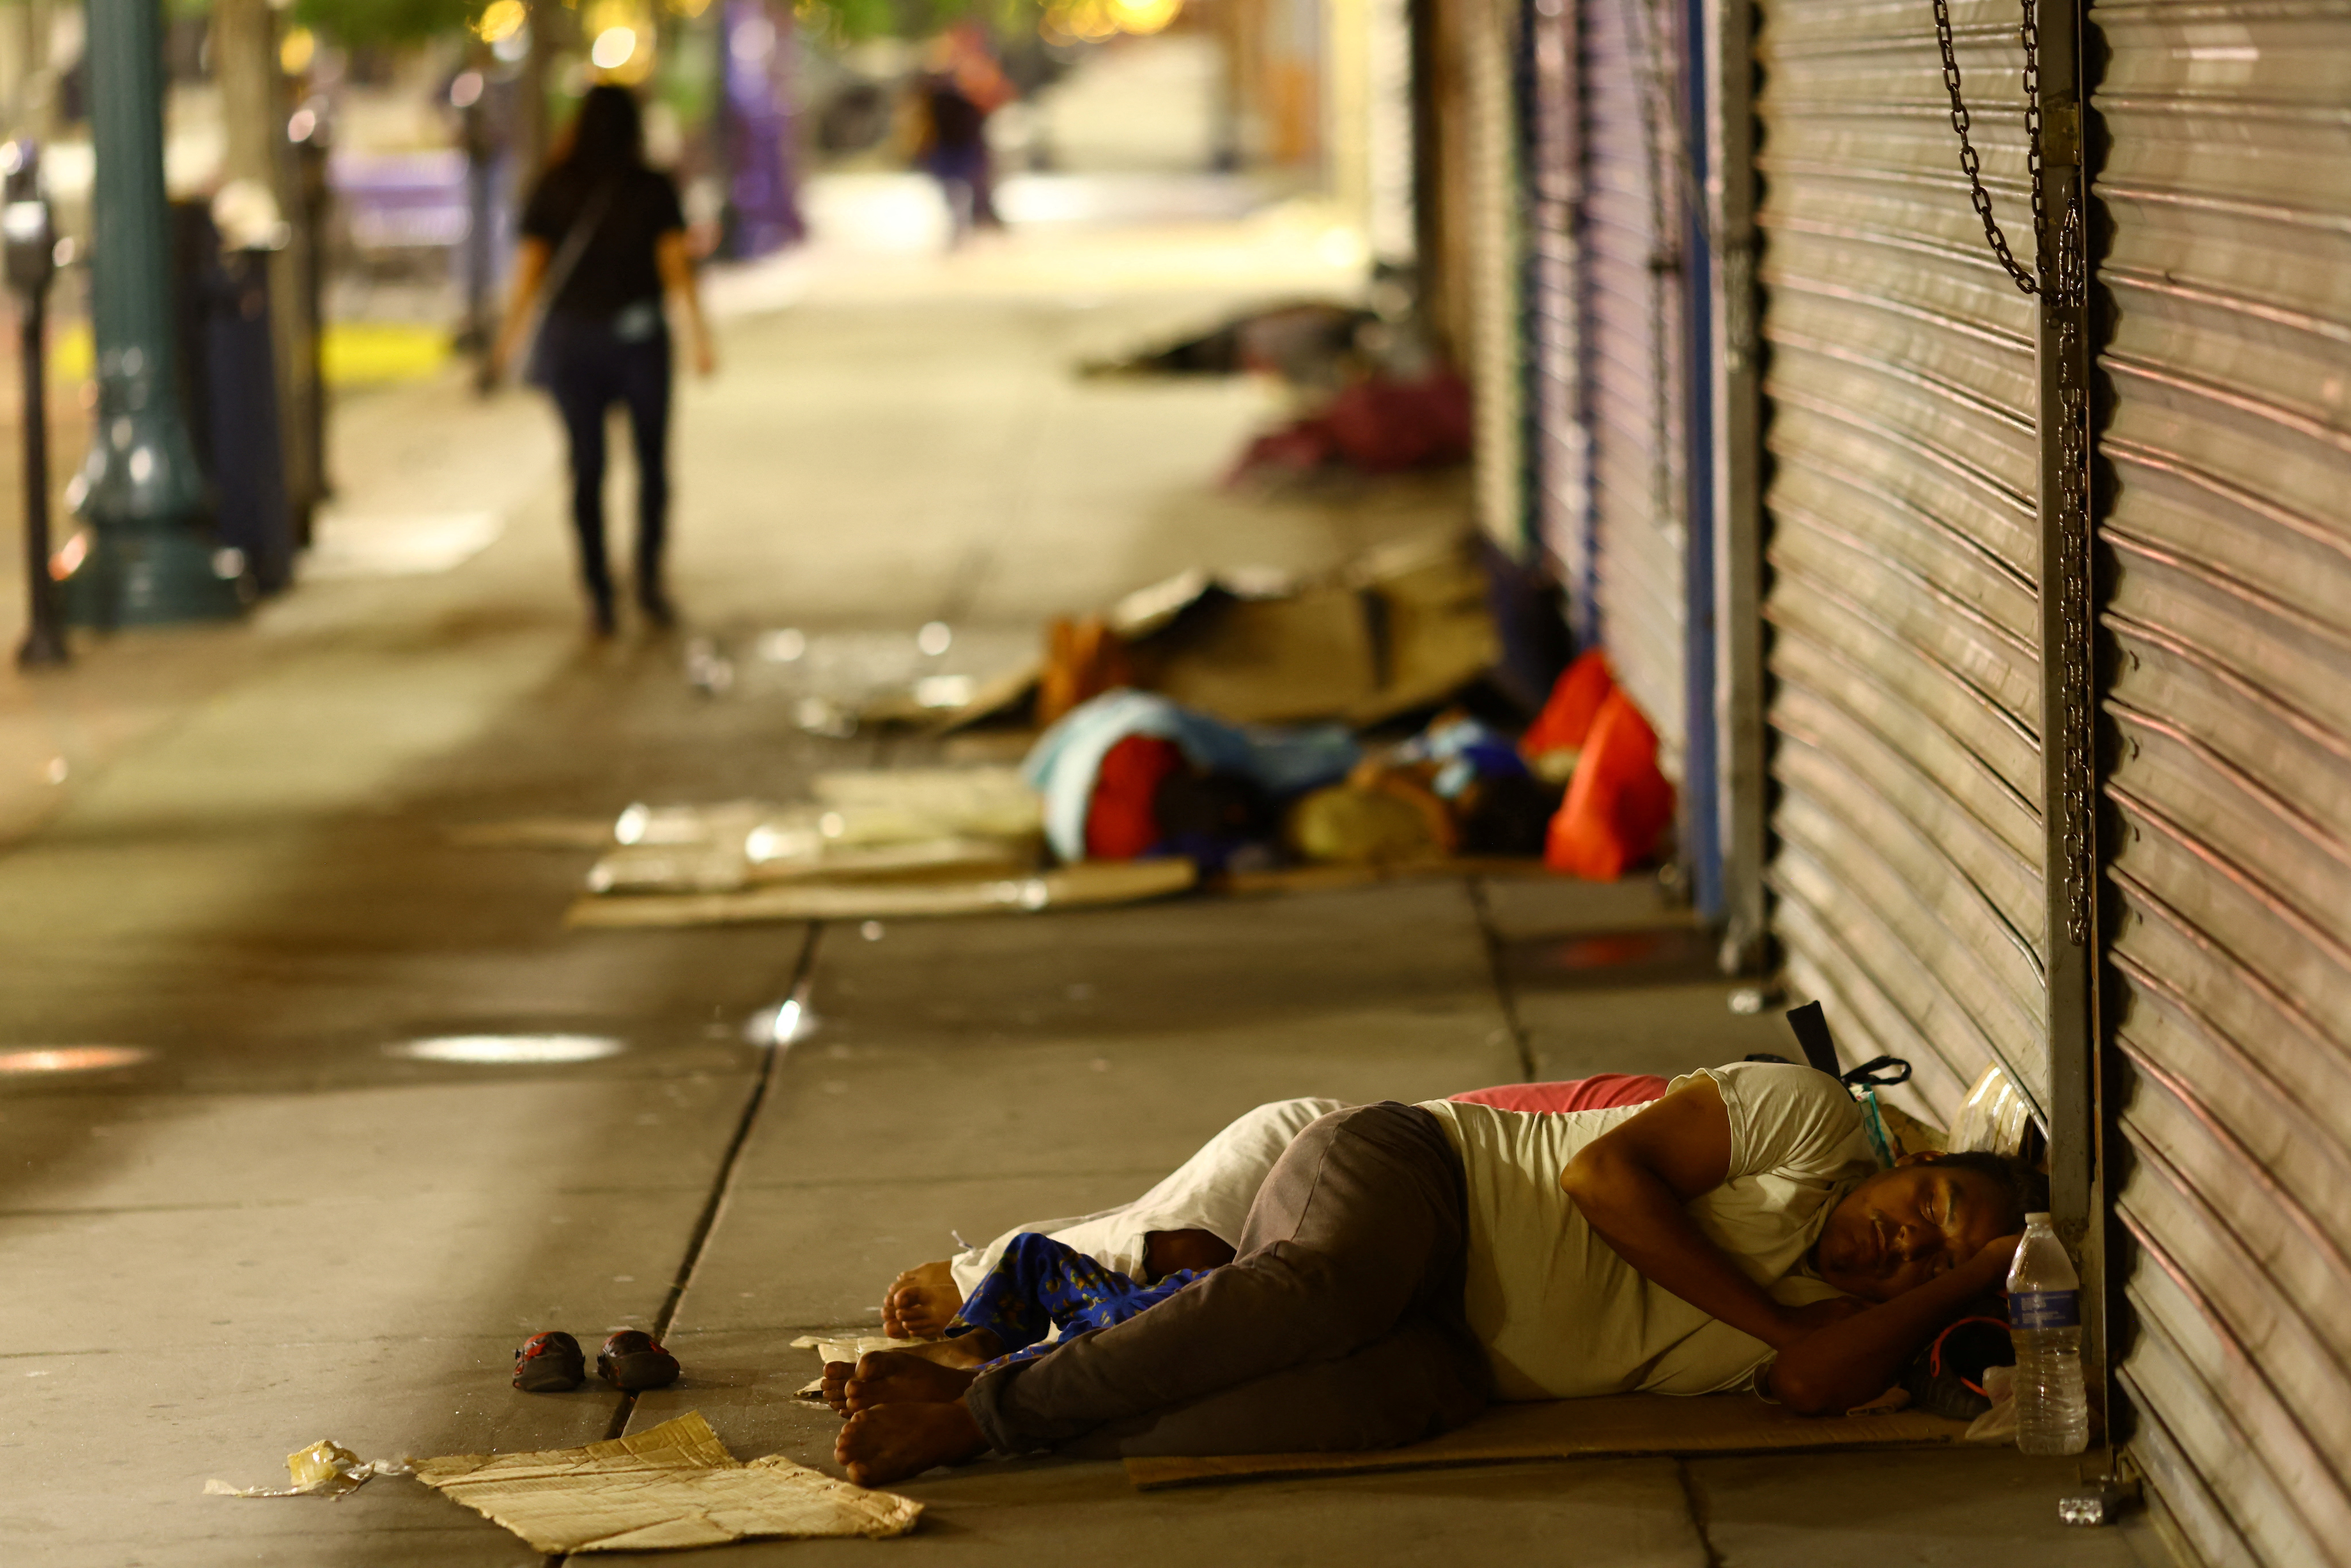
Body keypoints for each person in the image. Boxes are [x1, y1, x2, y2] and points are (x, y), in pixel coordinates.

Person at [832, 1062, 2044, 1485]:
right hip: (1424, 1179)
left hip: (1458, 1351)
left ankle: (999, 1393)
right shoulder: (1809, 1119)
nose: (1909, 1246)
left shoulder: (1853, 1332)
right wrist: (1776, 1318)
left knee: (1306, 1413)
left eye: (1934, 1263)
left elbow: (1811, 1389)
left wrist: (1972, 1277)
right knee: (1328, 1289)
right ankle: (985, 1416)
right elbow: (1602, 1179)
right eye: (1929, 1212)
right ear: (1912, 1163)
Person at [489, 85, 716, 636]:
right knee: (652, 464)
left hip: (575, 343)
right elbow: (675, 267)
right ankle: (650, 580)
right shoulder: (652, 186)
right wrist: (699, 337)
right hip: (641, 340)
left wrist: (506, 346)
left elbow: (530, 274)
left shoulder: (554, 184)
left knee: (586, 466)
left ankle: (598, 591)